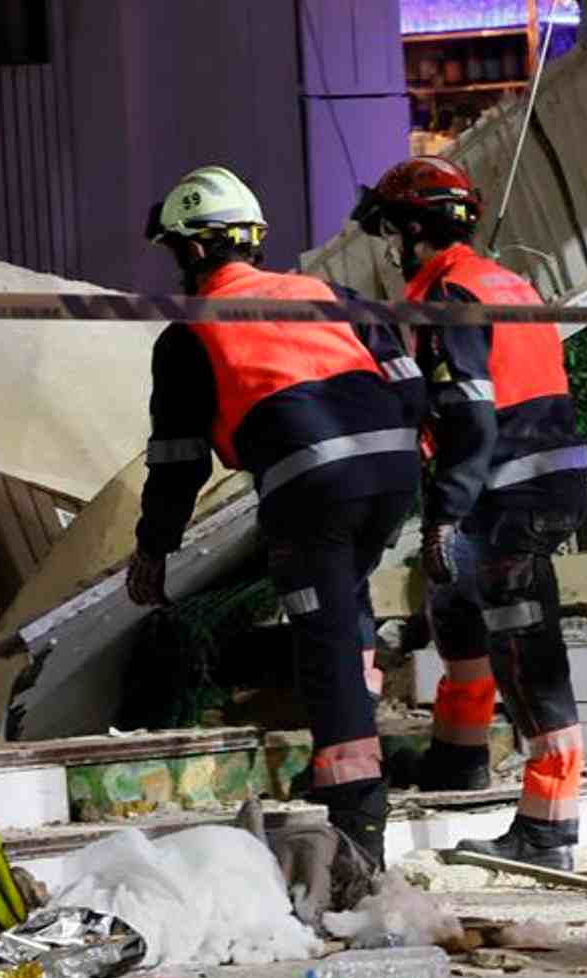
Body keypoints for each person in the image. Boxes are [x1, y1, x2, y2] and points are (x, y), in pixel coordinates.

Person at [127, 165, 420, 867]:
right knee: (346, 610)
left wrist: (153, 549)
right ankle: (342, 760)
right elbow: (407, 385)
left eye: (174, 252)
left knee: (321, 647)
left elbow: (177, 461)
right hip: (392, 470)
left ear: (193, 251)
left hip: (312, 488)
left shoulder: (190, 332)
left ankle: (357, 825)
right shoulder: (327, 294)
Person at [352, 156, 587, 872]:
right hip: (529, 483)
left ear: (417, 229)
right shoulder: (501, 281)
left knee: (525, 652)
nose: (389, 247)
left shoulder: (450, 296)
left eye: (392, 230)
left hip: (510, 492)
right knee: (456, 602)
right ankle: (458, 757)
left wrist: (444, 514)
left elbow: (470, 417)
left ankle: (549, 830)